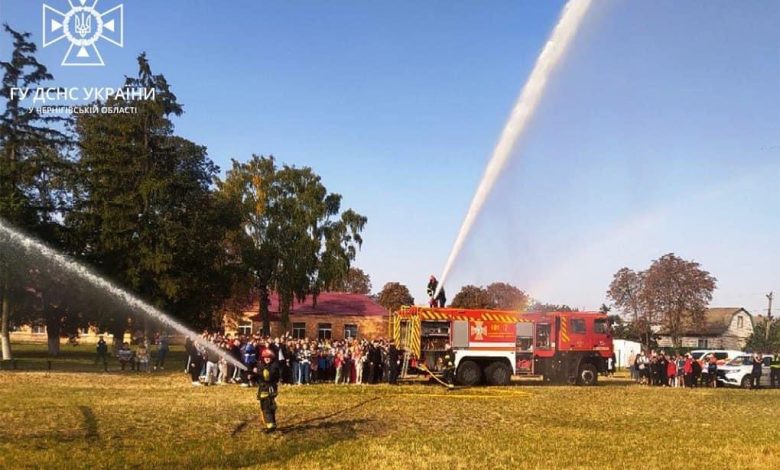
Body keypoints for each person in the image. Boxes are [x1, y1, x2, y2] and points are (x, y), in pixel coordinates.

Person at [256, 348, 281, 433]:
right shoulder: (262, 365)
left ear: (272, 358)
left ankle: (270, 427)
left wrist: (259, 371)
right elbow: (259, 378)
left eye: (268, 357)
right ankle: (271, 425)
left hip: (269, 390)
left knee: (267, 408)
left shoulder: (274, 366)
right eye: (265, 357)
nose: (267, 359)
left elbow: (267, 377)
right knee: (266, 408)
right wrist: (252, 375)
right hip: (263, 389)